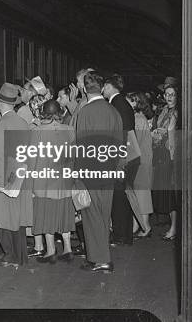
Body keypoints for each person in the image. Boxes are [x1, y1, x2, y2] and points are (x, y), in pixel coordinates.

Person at [75, 71, 123, 273]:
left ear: (85, 89)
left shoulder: (85, 112)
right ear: (102, 88)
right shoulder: (113, 111)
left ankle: (100, 259)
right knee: (103, 215)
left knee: (91, 216)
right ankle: (101, 256)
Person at [0, 82, 32, 265]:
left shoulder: (2, 125)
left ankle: (10, 255)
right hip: (21, 177)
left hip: (5, 178)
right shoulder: (23, 122)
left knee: (3, 221)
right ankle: (21, 256)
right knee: (18, 220)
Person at [32, 100, 76, 263]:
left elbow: (32, 158)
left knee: (46, 215)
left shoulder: (37, 131)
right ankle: (68, 249)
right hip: (64, 181)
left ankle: (50, 251)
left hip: (44, 183)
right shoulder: (70, 129)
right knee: (64, 214)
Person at [103, 74, 138, 246]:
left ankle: (121, 235)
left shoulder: (118, 104)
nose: (102, 89)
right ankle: (122, 234)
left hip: (120, 158)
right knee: (120, 197)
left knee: (119, 198)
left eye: (104, 86)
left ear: (110, 87)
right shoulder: (120, 103)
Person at [152, 83, 180, 241]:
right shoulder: (164, 110)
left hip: (171, 155)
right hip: (162, 154)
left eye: (172, 94)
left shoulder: (177, 113)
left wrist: (161, 134)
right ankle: (172, 226)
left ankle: (174, 228)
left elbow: (170, 133)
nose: (169, 97)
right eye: (167, 94)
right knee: (166, 193)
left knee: (170, 193)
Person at [126, 92, 154, 237]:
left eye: (129, 102)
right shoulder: (141, 118)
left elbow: (135, 141)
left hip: (141, 161)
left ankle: (146, 227)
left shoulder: (138, 118)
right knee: (138, 194)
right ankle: (138, 225)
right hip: (143, 160)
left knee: (142, 194)